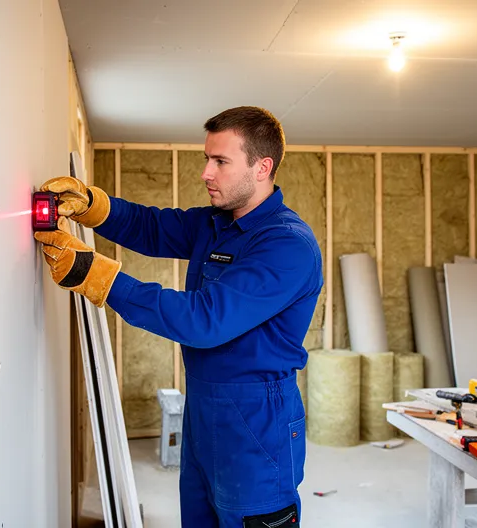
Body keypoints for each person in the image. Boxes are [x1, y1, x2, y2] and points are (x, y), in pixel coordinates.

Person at [35, 106, 322, 527]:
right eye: (207, 159)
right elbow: (151, 227)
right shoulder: (216, 223)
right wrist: (92, 206)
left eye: (220, 161)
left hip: (257, 426)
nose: (206, 173)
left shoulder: (286, 244)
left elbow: (203, 321)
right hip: (204, 410)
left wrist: (95, 276)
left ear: (262, 167)